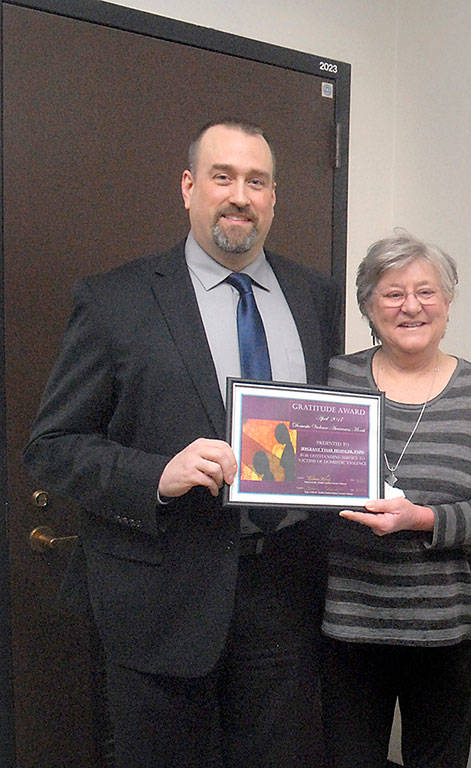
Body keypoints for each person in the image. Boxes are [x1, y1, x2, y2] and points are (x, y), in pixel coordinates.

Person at [23, 119, 342, 767]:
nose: (240, 196)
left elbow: (326, 426)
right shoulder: (117, 301)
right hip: (163, 600)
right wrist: (155, 475)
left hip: (285, 593)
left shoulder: (314, 297)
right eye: (222, 177)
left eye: (257, 181)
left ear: (274, 198)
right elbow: (52, 445)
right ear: (189, 186)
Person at [322, 230, 471, 768]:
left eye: (426, 291)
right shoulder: (334, 381)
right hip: (350, 624)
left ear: (448, 301)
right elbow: (304, 482)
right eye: (392, 293)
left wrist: (423, 519)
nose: (411, 306)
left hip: (446, 629)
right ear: (368, 305)